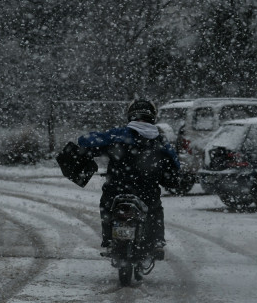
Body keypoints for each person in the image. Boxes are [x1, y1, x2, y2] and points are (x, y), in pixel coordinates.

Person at [77, 99, 180, 260]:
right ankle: (157, 241)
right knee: (154, 209)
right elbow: (174, 164)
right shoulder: (159, 139)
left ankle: (110, 240)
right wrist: (170, 177)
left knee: (107, 206)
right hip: (146, 191)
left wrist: (85, 151)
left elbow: (86, 141)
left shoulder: (117, 135)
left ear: (130, 115)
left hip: (116, 189)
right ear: (152, 116)